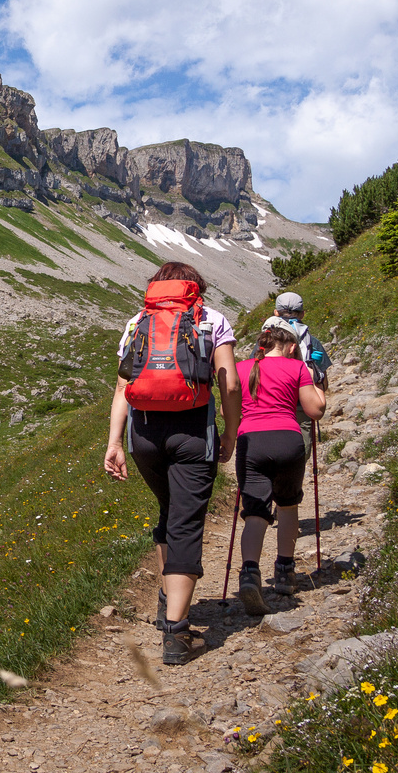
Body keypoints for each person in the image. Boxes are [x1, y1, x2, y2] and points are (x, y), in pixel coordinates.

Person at [104, 262, 241, 665]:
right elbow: (229, 382)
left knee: (169, 510)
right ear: (195, 287)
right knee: (186, 522)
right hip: (193, 431)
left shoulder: (137, 321)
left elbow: (122, 386)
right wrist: (230, 432)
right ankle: (177, 634)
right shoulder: (210, 319)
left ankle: (167, 599)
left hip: (143, 434)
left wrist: (114, 443)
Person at [233, 316, 326, 615]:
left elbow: (227, 409)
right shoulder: (296, 366)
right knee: (287, 505)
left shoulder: (243, 368)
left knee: (255, 511)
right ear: (288, 347)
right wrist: (318, 384)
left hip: (251, 442)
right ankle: (285, 571)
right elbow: (315, 410)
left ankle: (250, 572)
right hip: (288, 440)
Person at [274, 291, 331, 389]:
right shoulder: (312, 342)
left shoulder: (266, 339)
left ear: (276, 313)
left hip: (274, 399)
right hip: (303, 400)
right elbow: (324, 385)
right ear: (302, 314)